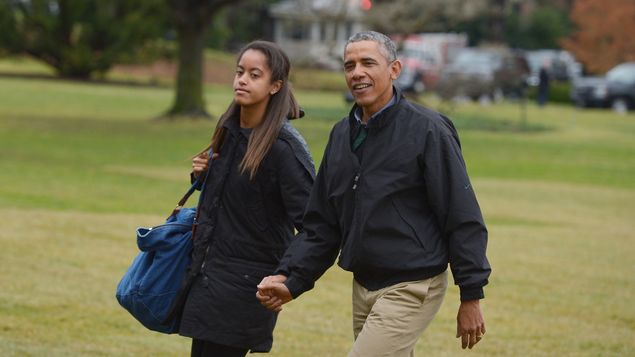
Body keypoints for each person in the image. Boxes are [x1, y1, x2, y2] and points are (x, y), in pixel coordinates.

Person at [256, 31, 491, 356]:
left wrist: (471, 295)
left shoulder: (428, 130)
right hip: (364, 284)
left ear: (394, 70)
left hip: (414, 284)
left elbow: (460, 213)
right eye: (349, 65)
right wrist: (289, 278)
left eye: (368, 63)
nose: (357, 73)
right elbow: (322, 225)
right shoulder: (341, 135)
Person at [178, 40, 315, 357]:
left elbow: (314, 224)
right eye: (240, 72)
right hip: (209, 276)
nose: (242, 80)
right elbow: (236, 198)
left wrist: (287, 278)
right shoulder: (229, 130)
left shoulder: (283, 149)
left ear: (274, 86)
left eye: (255, 75)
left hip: (246, 286)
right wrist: (203, 177)